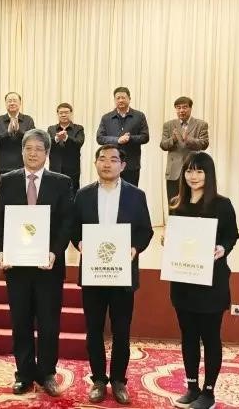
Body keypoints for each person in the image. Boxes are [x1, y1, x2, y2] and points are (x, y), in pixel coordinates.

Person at [0, 128, 73, 396]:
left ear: (47, 153)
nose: (33, 153)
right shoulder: (8, 180)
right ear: (22, 151)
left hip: (48, 266)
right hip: (17, 266)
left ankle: (47, 373)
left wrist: (55, 252)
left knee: (49, 323)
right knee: (21, 321)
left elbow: (66, 223)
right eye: (29, 148)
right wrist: (0, 251)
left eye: (39, 149)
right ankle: (24, 373)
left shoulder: (61, 182)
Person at [71, 145, 154, 405]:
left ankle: (118, 380)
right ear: (95, 163)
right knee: (93, 330)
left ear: (123, 165)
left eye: (113, 159)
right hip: (94, 274)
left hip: (122, 274)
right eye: (102, 159)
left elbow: (145, 230)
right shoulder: (83, 195)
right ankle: (98, 379)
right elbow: (74, 228)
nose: (107, 163)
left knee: (121, 330)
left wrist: (134, 248)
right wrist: (79, 242)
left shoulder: (136, 195)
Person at [167, 152, 239, 409]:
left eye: (199, 171)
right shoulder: (177, 203)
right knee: (188, 336)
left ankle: (208, 392)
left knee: (210, 337)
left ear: (209, 175)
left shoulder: (222, 204)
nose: (193, 176)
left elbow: (232, 235)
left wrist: (223, 248)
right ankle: (192, 386)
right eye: (189, 171)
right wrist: (169, 240)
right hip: (183, 281)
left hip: (211, 283)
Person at [96, 87, 149, 186]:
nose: (120, 100)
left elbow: (145, 137)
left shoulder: (139, 116)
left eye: (123, 97)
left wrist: (130, 138)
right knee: (110, 190)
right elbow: (100, 138)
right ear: (114, 100)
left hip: (131, 164)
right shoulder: (106, 118)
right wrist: (117, 140)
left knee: (131, 192)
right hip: (110, 164)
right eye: (118, 98)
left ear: (129, 99)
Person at [160, 97, 209, 202]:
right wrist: (173, 139)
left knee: (193, 203)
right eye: (178, 108)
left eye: (184, 107)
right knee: (173, 203)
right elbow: (163, 145)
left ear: (190, 108)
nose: (181, 110)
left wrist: (188, 140)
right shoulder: (168, 125)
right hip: (174, 171)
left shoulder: (201, 124)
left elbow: (204, 144)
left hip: (193, 170)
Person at [0, 92, 35, 183]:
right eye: (9, 101)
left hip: (24, 165)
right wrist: (7, 133)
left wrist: (19, 132)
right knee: (3, 191)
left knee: (22, 191)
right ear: (5, 103)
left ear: (20, 103)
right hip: (3, 167)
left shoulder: (28, 120)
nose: (12, 103)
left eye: (14, 100)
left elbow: (33, 140)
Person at [46, 103, 85, 193]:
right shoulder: (51, 129)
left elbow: (79, 143)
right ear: (57, 114)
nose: (63, 115)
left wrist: (66, 138)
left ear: (71, 113)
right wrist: (57, 138)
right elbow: (47, 144)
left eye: (66, 112)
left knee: (72, 193)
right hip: (55, 168)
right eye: (61, 113)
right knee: (54, 193)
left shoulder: (79, 128)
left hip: (72, 169)